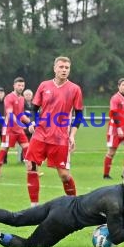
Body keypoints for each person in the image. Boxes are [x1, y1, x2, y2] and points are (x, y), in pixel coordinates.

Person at [24, 56, 84, 206]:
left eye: (67, 68)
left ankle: (74, 205)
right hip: (40, 134)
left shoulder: (75, 89)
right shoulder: (44, 86)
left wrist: (72, 135)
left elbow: (79, 114)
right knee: (30, 165)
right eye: (61, 67)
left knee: (64, 175)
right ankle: (34, 206)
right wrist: (33, 122)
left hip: (60, 138)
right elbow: (34, 108)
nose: (64, 70)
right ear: (55, 68)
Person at [0, 77, 30, 177]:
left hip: (19, 129)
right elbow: (10, 114)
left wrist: (30, 123)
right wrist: (20, 123)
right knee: (4, 149)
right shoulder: (9, 97)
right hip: (9, 129)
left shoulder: (22, 98)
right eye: (19, 85)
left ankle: (31, 170)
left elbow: (21, 114)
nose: (21, 87)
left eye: (22, 85)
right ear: (14, 86)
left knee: (27, 147)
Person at [103, 78, 124, 179]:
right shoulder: (115, 98)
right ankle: (106, 174)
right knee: (111, 152)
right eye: (123, 85)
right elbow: (114, 113)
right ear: (119, 86)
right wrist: (118, 128)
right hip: (115, 130)